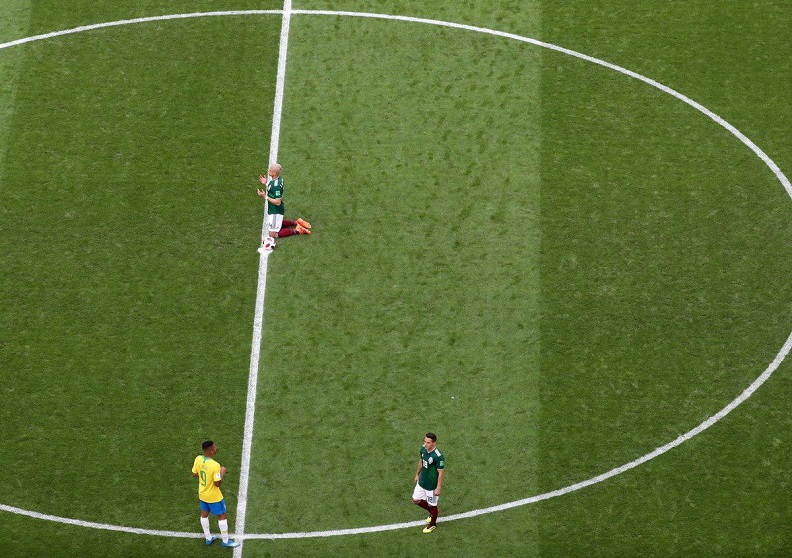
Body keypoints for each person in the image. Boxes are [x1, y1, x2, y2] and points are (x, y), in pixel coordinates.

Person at [191, 440, 241, 548]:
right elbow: (217, 483)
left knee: (204, 514)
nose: (216, 448)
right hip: (214, 497)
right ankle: (226, 541)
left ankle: (208, 538)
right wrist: (222, 472)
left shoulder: (198, 459)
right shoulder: (215, 465)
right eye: (214, 447)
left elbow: (194, 474)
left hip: (202, 494)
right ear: (211, 450)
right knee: (222, 515)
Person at [256, 163, 311, 250]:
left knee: (272, 234)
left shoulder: (276, 186)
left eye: (270, 170)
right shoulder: (279, 179)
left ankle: (297, 230)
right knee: (277, 223)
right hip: (275, 209)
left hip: (275, 210)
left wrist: (265, 196)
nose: (268, 171)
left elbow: (277, 202)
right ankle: (297, 222)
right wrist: (266, 182)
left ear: (274, 173)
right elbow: (273, 186)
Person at [412, 432, 445, 533]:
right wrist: (417, 474)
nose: (425, 444)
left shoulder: (438, 456)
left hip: (431, 485)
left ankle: (433, 524)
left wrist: (438, 488)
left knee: (432, 505)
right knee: (415, 500)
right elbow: (421, 462)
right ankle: (434, 512)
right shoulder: (423, 449)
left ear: (434, 443)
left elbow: (441, 473)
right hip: (422, 481)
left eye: (428, 442)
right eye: (425, 441)